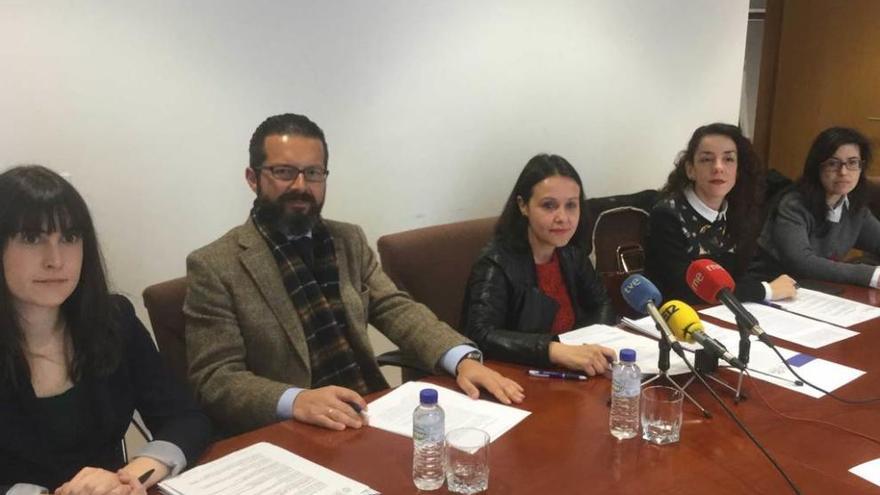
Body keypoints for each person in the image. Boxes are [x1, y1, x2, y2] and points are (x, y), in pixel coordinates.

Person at [184, 113, 525, 436]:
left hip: (369, 409)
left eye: (314, 173)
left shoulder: (347, 240)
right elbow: (216, 380)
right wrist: (296, 400)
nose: (301, 185)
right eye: (284, 172)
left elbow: (397, 309)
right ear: (252, 177)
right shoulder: (216, 265)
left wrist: (461, 358)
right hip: (293, 431)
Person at [0, 166, 211, 495]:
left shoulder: (114, 320)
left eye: (69, 238)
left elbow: (185, 417)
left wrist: (132, 476)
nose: (55, 260)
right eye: (31, 238)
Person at [461, 154, 616, 376]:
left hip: (571, 374)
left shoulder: (571, 253)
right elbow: (480, 335)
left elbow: (602, 304)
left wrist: (584, 347)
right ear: (523, 206)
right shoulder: (495, 263)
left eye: (571, 205)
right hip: (516, 377)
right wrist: (554, 350)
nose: (563, 217)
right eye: (549, 206)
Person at [645, 123, 797, 304]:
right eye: (706, 159)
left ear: (738, 170)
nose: (718, 167)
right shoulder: (667, 215)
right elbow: (685, 289)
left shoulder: (737, 211)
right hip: (681, 316)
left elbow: (754, 265)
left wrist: (786, 282)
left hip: (724, 312)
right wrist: (766, 290)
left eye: (728, 159)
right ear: (690, 170)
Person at [753, 127, 880, 286]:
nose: (843, 172)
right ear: (816, 167)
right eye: (833, 163)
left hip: (819, 290)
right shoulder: (794, 204)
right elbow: (801, 263)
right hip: (772, 289)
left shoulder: (855, 207)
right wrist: (871, 275)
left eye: (853, 162)